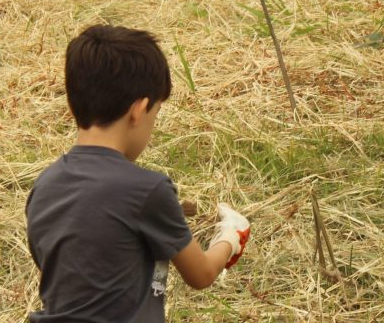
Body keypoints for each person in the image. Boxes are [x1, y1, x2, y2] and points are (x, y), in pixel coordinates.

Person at [25, 24, 250, 322]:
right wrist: (231, 235)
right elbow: (202, 274)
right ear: (139, 110)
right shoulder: (147, 191)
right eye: (155, 114)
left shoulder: (44, 186)